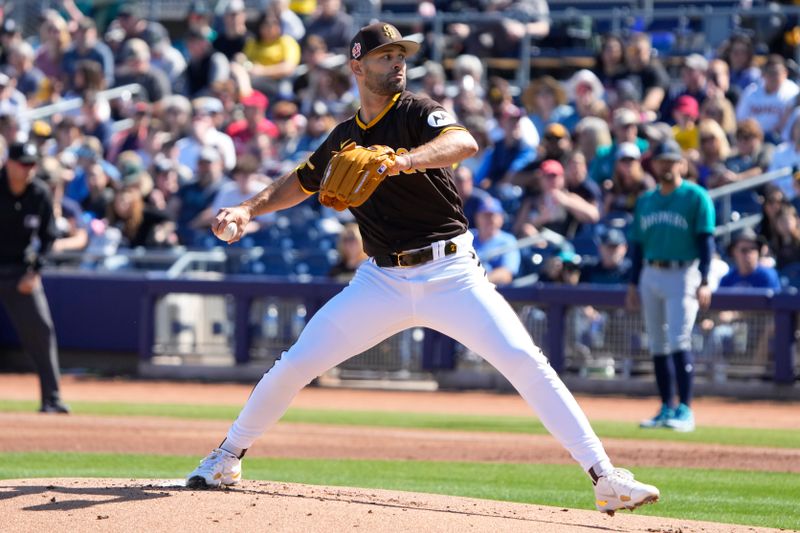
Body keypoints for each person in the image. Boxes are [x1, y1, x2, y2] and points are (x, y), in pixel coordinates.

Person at [187, 22, 660, 515]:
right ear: (356, 66)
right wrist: (246, 209)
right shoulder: (345, 138)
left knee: (526, 361)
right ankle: (226, 456)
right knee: (297, 363)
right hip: (381, 280)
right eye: (385, 55)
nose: (397, 62)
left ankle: (606, 477)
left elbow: (463, 143)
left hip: (451, 273)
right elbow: (301, 181)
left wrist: (401, 162)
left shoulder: (416, 111)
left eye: (401, 55)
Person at [626, 140, 716, 433]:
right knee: (657, 343)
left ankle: (685, 409)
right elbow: (638, 245)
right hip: (651, 272)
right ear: (654, 165)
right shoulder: (646, 200)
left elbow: (706, 242)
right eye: (661, 161)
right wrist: (632, 281)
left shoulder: (695, 196)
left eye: (670, 160)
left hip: (683, 272)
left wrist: (705, 279)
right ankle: (666, 407)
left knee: (679, 339)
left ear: (682, 164)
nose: (665, 166)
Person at [0, 142, 69, 413]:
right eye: (23, 164)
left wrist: (36, 270)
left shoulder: (39, 192)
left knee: (41, 330)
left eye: (32, 164)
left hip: (21, 272)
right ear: (9, 163)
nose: (28, 169)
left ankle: (51, 398)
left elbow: (49, 237)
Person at [471, 196, 520, 286]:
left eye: (493, 216)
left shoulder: (508, 241)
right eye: (486, 215)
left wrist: (478, 281)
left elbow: (506, 274)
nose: (490, 220)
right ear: (477, 217)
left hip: (493, 291)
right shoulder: (468, 237)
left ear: (501, 218)